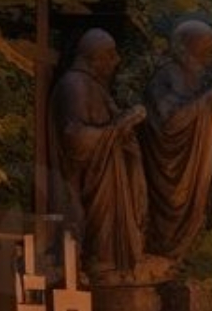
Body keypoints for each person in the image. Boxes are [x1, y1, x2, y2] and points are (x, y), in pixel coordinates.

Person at [51, 29, 149, 279]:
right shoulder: (75, 84)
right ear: (94, 57)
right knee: (100, 244)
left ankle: (111, 265)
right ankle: (100, 263)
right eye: (110, 54)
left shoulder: (95, 87)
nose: (116, 60)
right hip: (94, 185)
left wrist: (125, 127)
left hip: (111, 181)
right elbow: (74, 138)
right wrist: (118, 127)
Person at [141, 20, 212, 262]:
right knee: (171, 207)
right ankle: (162, 251)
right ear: (187, 50)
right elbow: (171, 121)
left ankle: (173, 258)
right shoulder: (166, 77)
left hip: (194, 169)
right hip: (168, 168)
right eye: (206, 51)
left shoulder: (199, 79)